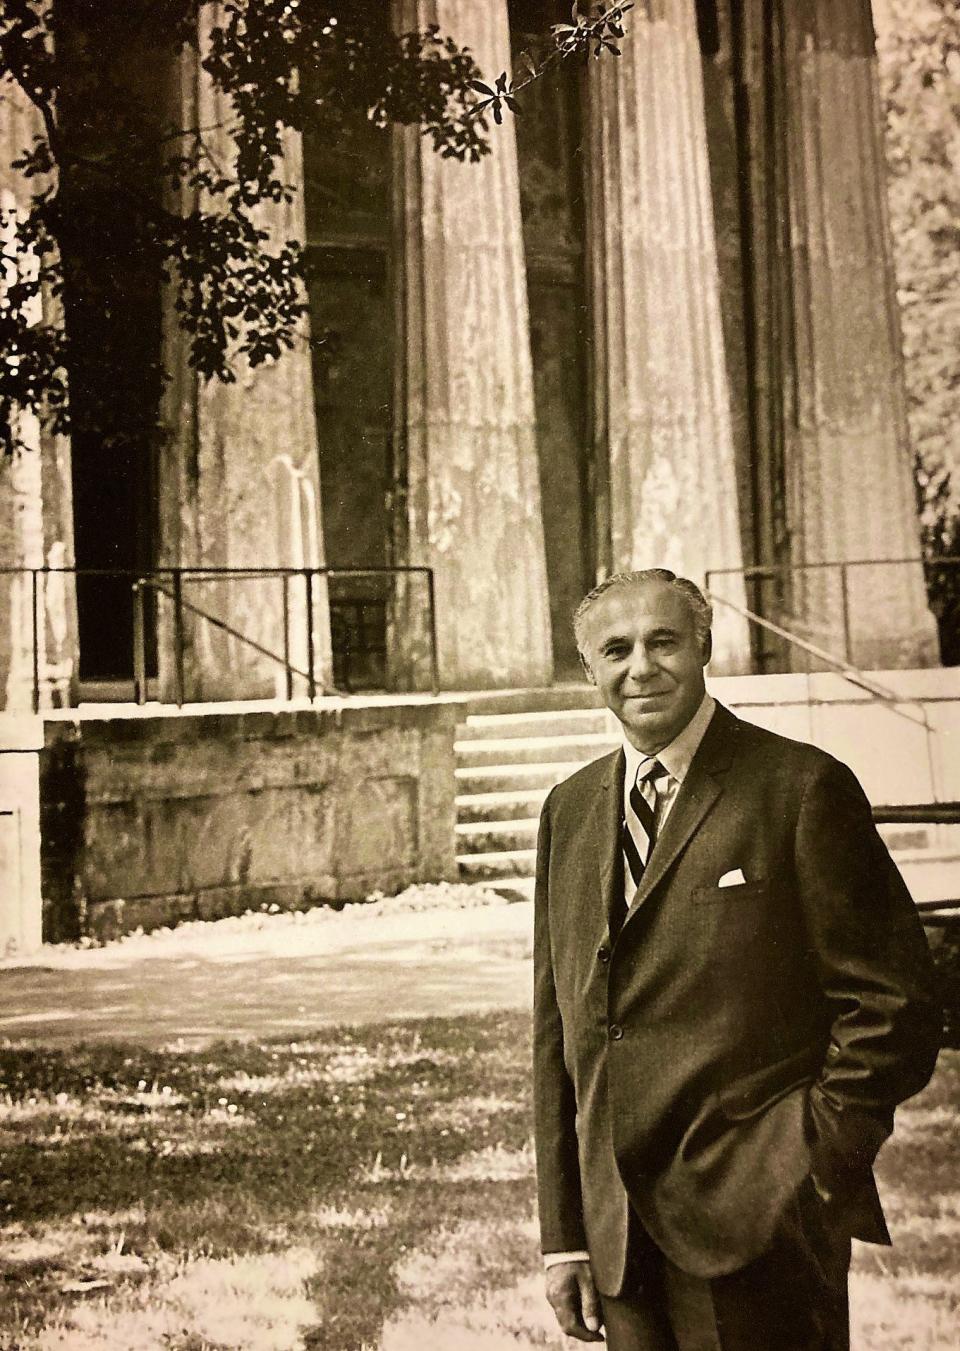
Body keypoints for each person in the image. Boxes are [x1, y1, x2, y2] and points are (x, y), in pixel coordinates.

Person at [533, 568, 942, 1350]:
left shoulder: (799, 787)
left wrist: (810, 1160)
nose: (641, 667)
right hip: (619, 1237)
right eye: (615, 650)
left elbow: (895, 1005)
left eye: (664, 642)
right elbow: (558, 1034)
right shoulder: (571, 808)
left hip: (763, 1228)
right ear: (590, 669)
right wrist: (565, 1234)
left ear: (705, 646)